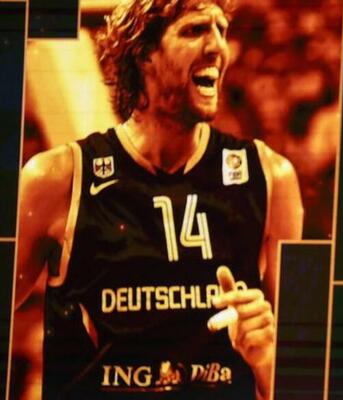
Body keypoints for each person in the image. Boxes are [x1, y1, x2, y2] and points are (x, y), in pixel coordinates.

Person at [13, 0, 303, 398]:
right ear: (143, 53)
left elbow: (310, 380)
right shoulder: (57, 178)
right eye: (195, 30)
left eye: (222, 30)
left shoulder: (273, 178)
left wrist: (267, 361)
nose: (218, 46)